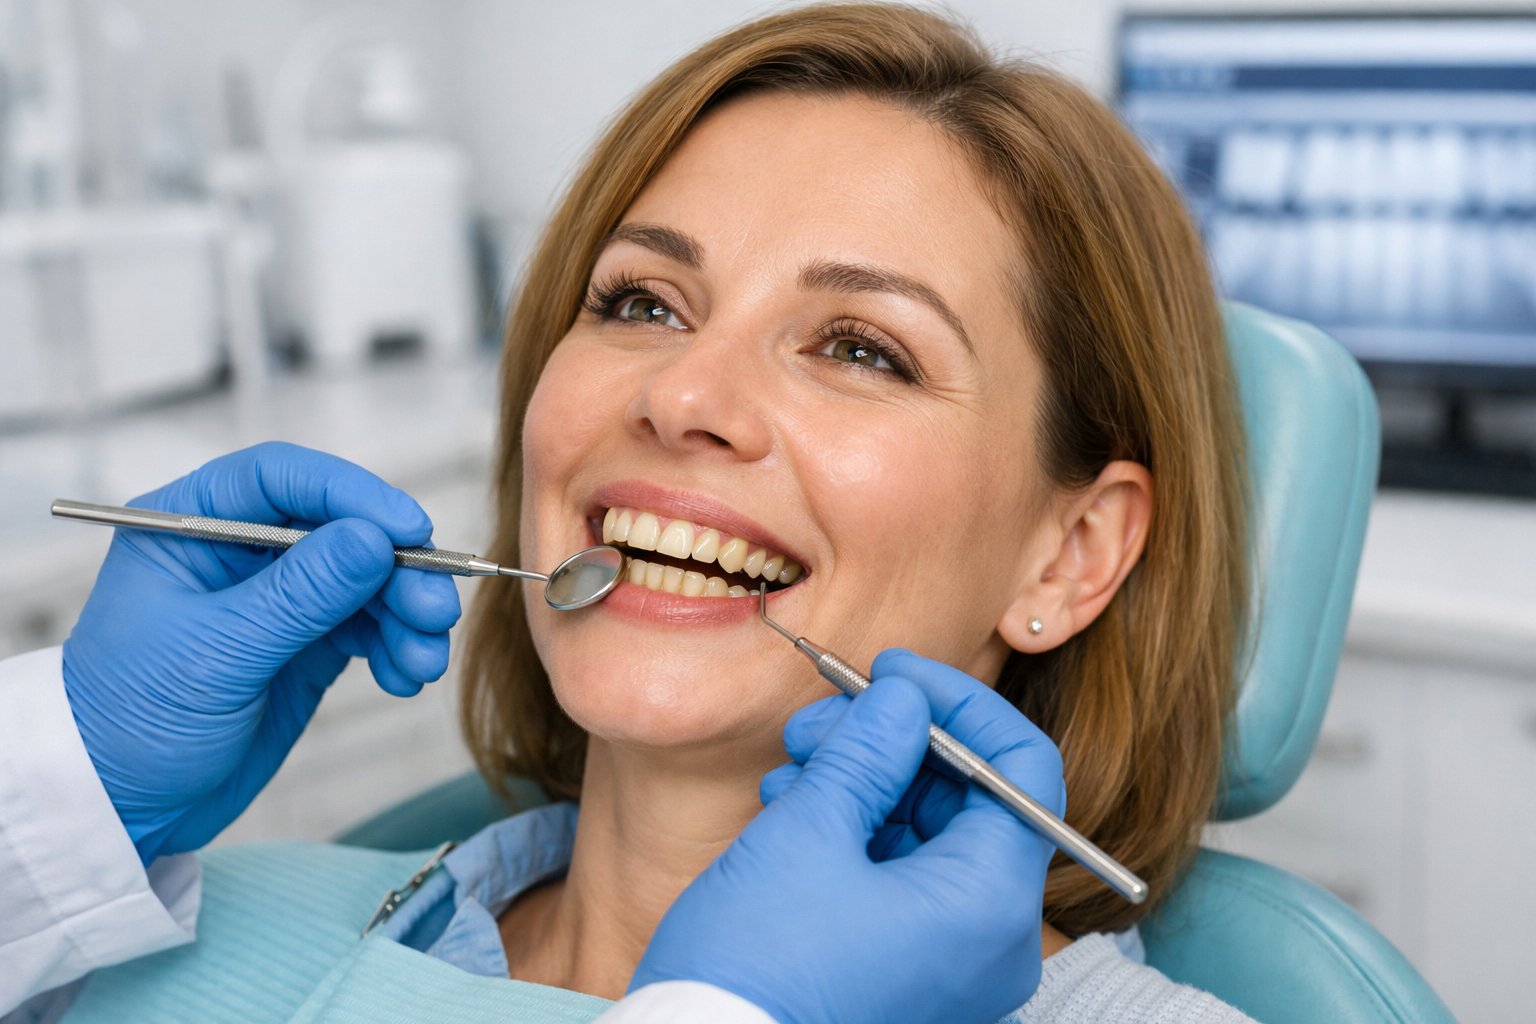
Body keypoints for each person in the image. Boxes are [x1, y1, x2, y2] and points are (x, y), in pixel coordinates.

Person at [2, 3, 1256, 1021]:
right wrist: (56, 794)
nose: (684, 393)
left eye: (863, 347)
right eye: (643, 303)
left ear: (1071, 555)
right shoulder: (125, 933)